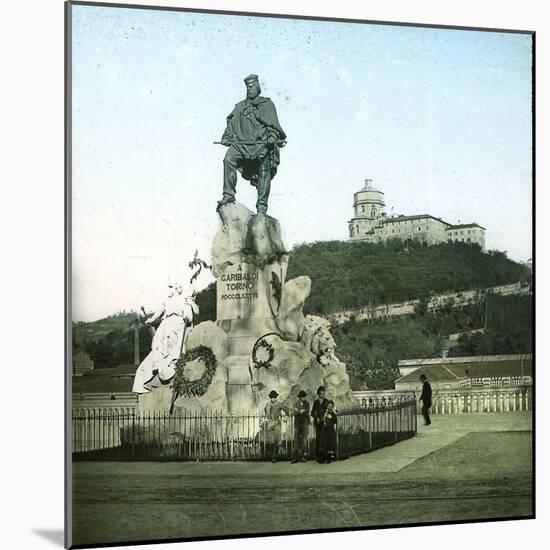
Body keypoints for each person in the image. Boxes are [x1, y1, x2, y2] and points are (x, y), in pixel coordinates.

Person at [217, 74, 287, 214]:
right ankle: (228, 195)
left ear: (258, 87)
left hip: (261, 145)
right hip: (241, 144)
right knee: (229, 159)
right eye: (247, 87)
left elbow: (273, 126)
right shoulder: (240, 106)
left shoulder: (267, 104)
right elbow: (231, 123)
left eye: (252, 86)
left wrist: (271, 137)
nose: (249, 89)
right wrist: (226, 137)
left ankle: (261, 206)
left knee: (264, 169)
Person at [132, 278, 199, 394]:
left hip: (177, 325)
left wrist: (187, 316)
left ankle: (170, 367)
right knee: (157, 344)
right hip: (165, 325)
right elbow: (159, 311)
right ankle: (157, 366)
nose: (169, 290)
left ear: (177, 288)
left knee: (171, 345)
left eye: (171, 287)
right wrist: (151, 320)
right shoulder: (167, 301)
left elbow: (191, 316)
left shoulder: (184, 299)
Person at [264, 390, 288, 463]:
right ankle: (270, 456)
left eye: (274, 397)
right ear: (270, 398)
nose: (273, 399)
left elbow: (285, 409)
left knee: (276, 440)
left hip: (277, 423)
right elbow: (265, 411)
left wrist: (286, 415)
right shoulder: (267, 404)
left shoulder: (279, 403)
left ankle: (275, 456)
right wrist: (268, 416)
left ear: (276, 397)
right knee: (270, 440)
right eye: (272, 397)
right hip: (270, 424)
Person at [311, 386, 332, 462]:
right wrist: (316, 417)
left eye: (324, 393)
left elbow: (330, 410)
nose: (323, 395)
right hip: (318, 424)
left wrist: (325, 417)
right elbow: (312, 412)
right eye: (321, 394)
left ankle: (326, 456)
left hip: (325, 424)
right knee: (318, 439)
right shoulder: (315, 402)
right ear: (318, 394)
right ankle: (319, 457)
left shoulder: (327, 401)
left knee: (325, 440)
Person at [291, 390, 310, 463]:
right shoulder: (295, 403)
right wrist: (301, 411)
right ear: (299, 397)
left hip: (304, 423)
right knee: (296, 440)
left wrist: (299, 411)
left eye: (304, 396)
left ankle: (302, 456)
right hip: (297, 423)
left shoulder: (307, 403)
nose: (303, 398)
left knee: (304, 440)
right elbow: (294, 412)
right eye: (302, 397)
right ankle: (295, 457)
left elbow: (307, 412)